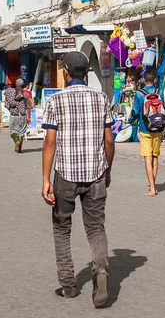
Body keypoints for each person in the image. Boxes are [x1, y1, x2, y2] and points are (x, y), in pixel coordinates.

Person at [41, 52, 115, 308]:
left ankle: (68, 285)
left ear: (66, 72)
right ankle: (101, 272)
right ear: (85, 72)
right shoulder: (101, 98)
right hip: (95, 173)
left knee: (62, 228)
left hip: (66, 175)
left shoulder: (55, 100)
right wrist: (107, 169)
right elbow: (109, 140)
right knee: (96, 228)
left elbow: (50, 142)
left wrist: (45, 179)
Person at [132, 70, 162, 197]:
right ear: (155, 80)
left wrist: (131, 120)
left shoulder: (139, 93)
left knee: (147, 158)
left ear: (144, 80)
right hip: (158, 128)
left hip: (145, 129)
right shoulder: (160, 92)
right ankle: (153, 185)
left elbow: (135, 111)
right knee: (155, 157)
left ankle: (152, 189)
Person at [4, 78, 33, 153]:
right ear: (22, 85)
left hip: (14, 115)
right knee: (22, 132)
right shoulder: (25, 94)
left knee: (13, 131)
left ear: (16, 84)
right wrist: (29, 117)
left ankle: (16, 141)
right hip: (22, 115)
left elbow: (7, 103)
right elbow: (28, 107)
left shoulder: (10, 92)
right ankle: (19, 148)